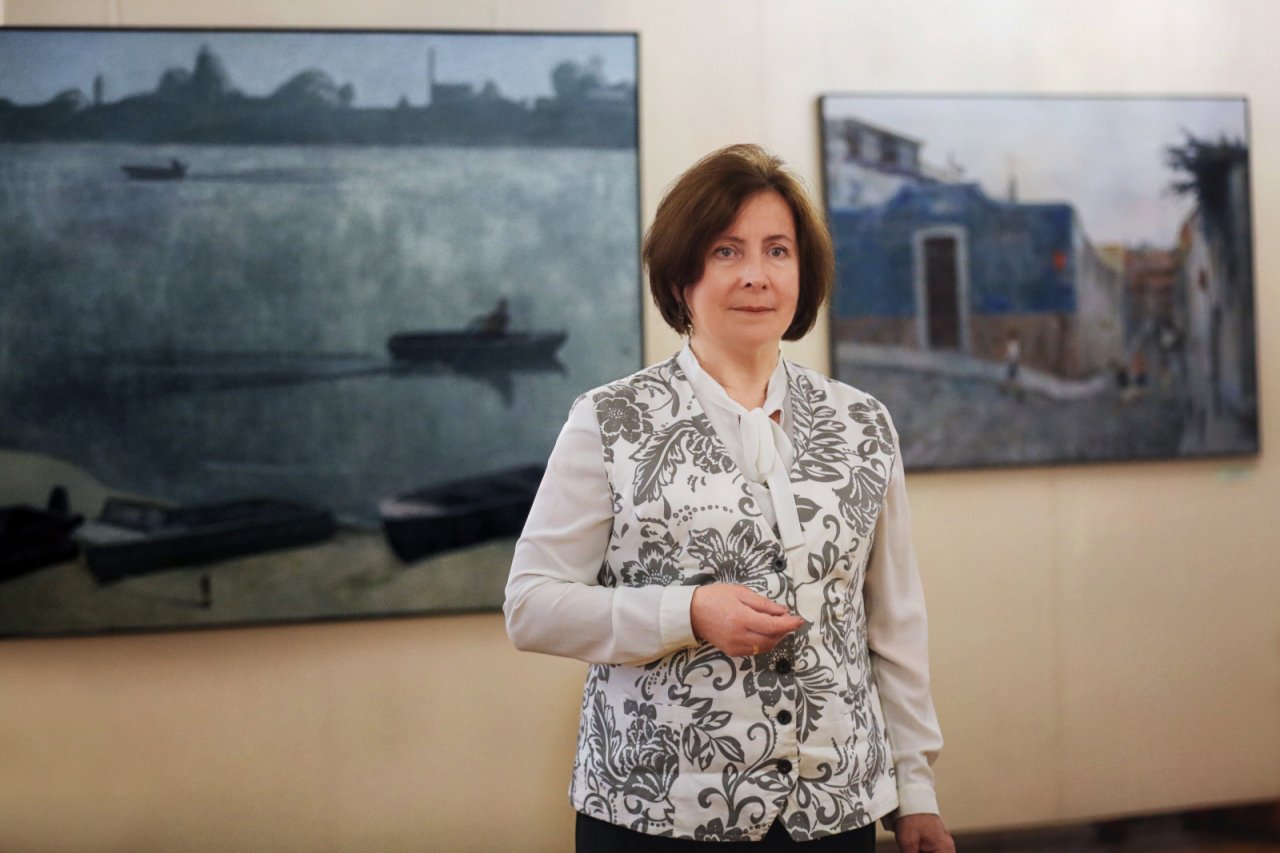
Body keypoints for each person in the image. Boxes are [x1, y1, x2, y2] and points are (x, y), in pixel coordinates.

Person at [505, 144, 953, 852]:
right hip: (656, 812)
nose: (756, 274)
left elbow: (892, 622)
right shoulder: (609, 420)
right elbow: (531, 606)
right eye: (725, 251)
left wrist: (915, 788)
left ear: (803, 274)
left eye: (778, 251)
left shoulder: (864, 422)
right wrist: (686, 612)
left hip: (834, 809)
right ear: (680, 277)